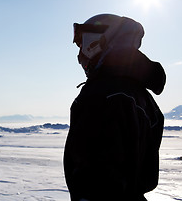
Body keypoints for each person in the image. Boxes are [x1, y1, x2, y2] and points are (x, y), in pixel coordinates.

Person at [63, 14, 166, 201]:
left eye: (83, 44)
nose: (80, 55)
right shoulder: (142, 98)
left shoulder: (102, 94)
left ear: (100, 41)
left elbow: (94, 178)